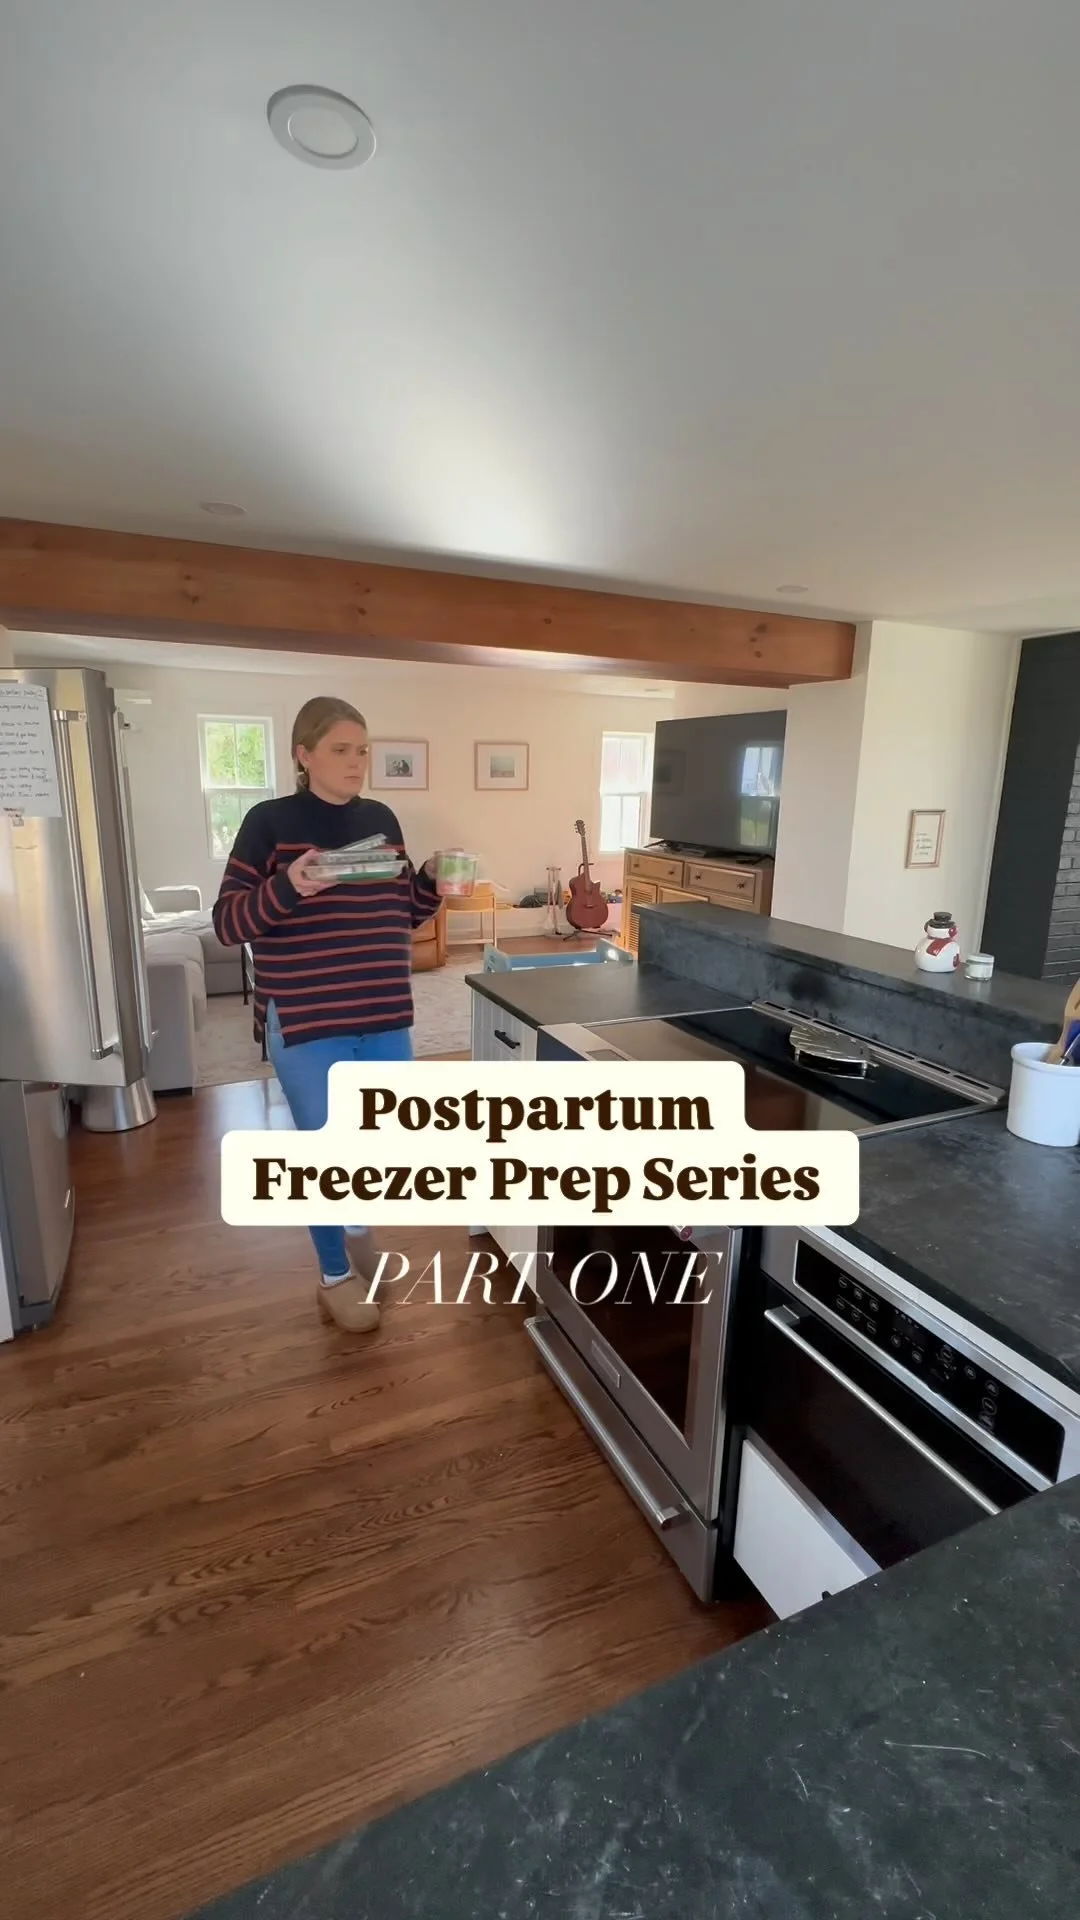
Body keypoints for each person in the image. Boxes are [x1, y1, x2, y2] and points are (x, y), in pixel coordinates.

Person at [212, 695, 443, 1334]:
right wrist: (290, 885)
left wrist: (428, 880)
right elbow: (228, 924)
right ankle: (335, 1275)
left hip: (385, 1012)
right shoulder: (269, 822)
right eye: (340, 749)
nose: (356, 761)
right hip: (308, 1017)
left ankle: (358, 1236)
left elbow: (401, 912)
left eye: (362, 749)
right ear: (303, 755)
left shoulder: (382, 819)